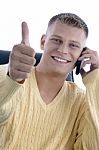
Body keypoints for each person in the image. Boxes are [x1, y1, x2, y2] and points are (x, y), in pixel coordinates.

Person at [0, 13, 99, 150]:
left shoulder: (82, 102)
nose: (62, 50)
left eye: (73, 45)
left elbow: (91, 146)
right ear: (43, 41)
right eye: (57, 40)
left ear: (82, 54)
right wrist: (12, 80)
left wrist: (95, 82)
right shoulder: (7, 73)